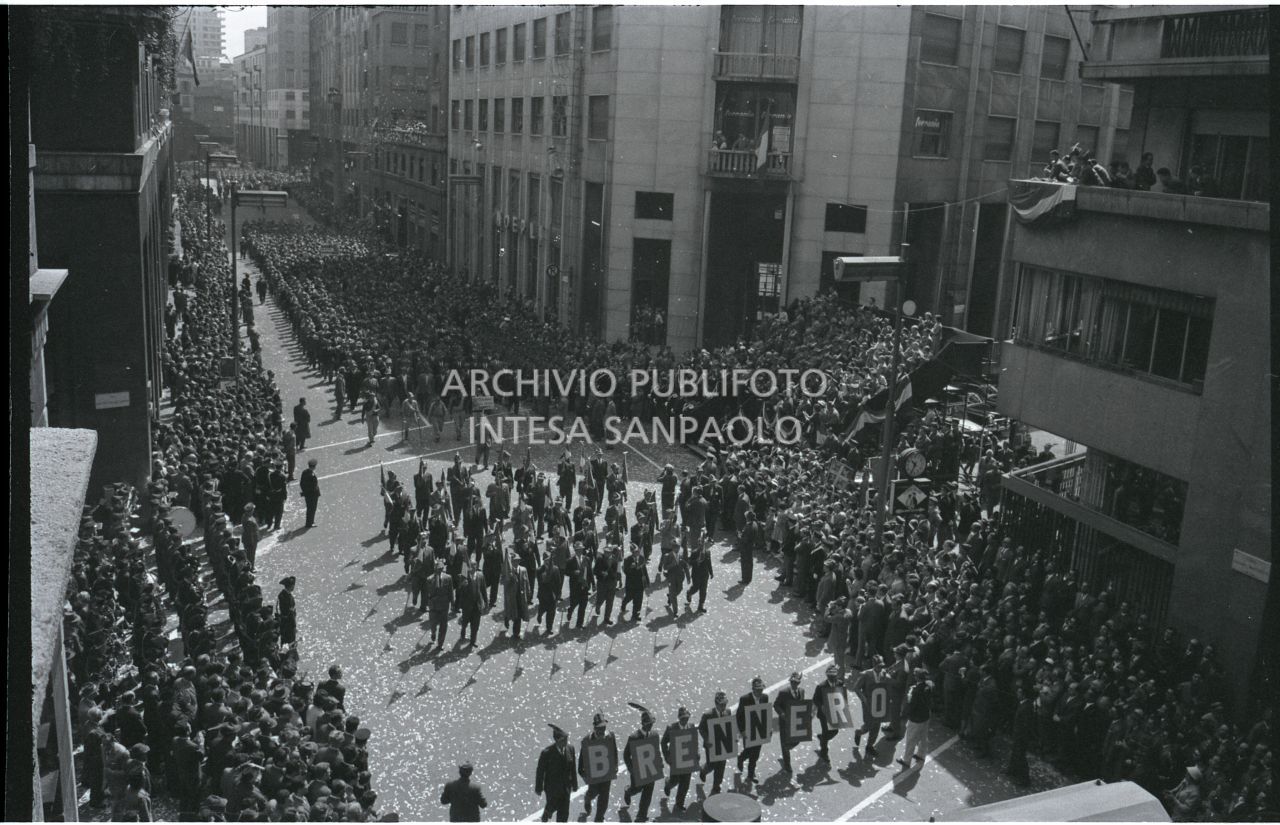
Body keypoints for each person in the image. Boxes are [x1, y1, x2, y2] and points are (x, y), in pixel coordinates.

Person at [621, 707, 659, 822]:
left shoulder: (654, 735)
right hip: (637, 770)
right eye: (649, 723)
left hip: (650, 770)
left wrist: (658, 765)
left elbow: (656, 751)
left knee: (648, 794)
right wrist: (631, 769)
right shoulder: (634, 737)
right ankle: (628, 791)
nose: (651, 725)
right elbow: (626, 755)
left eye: (652, 723)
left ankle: (641, 816)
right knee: (636, 789)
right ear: (643, 724)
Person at [579, 714, 617, 823]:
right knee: (593, 792)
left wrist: (615, 766)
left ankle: (599, 819)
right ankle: (588, 798)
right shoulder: (587, 740)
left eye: (604, 727)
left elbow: (614, 752)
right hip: (594, 775)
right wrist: (585, 777)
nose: (602, 730)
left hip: (606, 774)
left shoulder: (610, 736)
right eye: (600, 728)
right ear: (594, 728)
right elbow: (581, 763)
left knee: (604, 799)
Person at [536, 725, 577, 823]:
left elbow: (573, 768)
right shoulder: (547, 753)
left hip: (566, 788)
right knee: (553, 805)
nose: (566, 741)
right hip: (552, 789)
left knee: (564, 815)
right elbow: (540, 771)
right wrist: (539, 787)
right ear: (557, 740)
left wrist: (574, 784)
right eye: (564, 739)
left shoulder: (570, 749)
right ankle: (547, 811)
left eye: (567, 738)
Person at [852, 656, 890, 758]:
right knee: (868, 725)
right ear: (874, 665)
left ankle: (869, 746)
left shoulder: (884, 673)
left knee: (876, 726)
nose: (880, 668)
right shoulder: (866, 675)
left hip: (879, 704)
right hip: (868, 704)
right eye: (878, 666)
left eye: (882, 666)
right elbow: (856, 688)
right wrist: (864, 700)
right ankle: (859, 732)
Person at [897, 668, 934, 769]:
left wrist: (904, 714)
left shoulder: (915, 691)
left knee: (911, 739)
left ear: (917, 678)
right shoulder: (929, 685)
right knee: (923, 737)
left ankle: (906, 760)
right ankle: (921, 755)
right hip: (925, 716)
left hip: (916, 718)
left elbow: (911, 705)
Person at [735, 677, 769, 783]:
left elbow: (765, 714)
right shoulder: (744, 699)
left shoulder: (765, 697)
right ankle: (741, 758)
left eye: (761, 689)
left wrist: (768, 728)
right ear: (753, 689)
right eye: (758, 690)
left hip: (760, 730)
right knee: (749, 751)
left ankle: (750, 774)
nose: (760, 692)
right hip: (748, 730)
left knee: (756, 754)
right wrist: (743, 730)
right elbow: (739, 716)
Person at [697, 691, 733, 794]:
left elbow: (729, 727)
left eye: (725, 704)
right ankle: (703, 771)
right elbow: (701, 729)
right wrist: (706, 739)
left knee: (721, 765)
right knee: (712, 765)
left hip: (723, 744)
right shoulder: (708, 715)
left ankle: (716, 786)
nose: (723, 706)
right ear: (716, 704)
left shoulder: (728, 712)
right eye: (721, 705)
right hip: (711, 745)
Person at [773, 671, 807, 773]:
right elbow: (776, 705)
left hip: (795, 721)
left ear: (799, 683)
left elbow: (802, 704)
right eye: (792, 682)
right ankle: (787, 764)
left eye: (796, 682)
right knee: (784, 742)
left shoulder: (801, 691)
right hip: (785, 722)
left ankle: (786, 750)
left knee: (797, 740)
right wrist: (782, 714)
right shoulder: (783, 693)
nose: (794, 684)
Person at [812, 664, 845, 763]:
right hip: (824, 714)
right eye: (831, 676)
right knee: (826, 732)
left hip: (835, 712)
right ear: (827, 676)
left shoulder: (840, 683)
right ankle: (824, 752)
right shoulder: (821, 686)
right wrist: (821, 706)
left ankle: (822, 739)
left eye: (834, 676)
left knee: (835, 731)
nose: (833, 678)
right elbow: (815, 699)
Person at [457, 561, 488, 647]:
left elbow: (483, 589)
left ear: (477, 566)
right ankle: (463, 630)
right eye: (471, 565)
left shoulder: (480, 575)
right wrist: (462, 585)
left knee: (475, 625)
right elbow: (459, 591)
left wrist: (486, 602)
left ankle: (472, 640)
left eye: (475, 565)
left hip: (477, 605)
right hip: (467, 605)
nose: (473, 567)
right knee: (465, 622)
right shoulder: (463, 576)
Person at [425, 560, 455, 648]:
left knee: (443, 626)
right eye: (436, 569)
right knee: (433, 624)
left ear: (442, 569)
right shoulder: (429, 579)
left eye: (440, 569)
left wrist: (452, 603)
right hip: (433, 605)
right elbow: (428, 593)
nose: (438, 570)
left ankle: (440, 643)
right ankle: (433, 632)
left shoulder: (448, 578)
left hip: (444, 606)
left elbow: (450, 591)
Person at [686, 534, 713, 613]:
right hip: (696, 574)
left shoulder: (707, 552)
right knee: (695, 588)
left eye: (702, 544)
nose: (701, 546)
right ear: (698, 544)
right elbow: (689, 562)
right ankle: (689, 593)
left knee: (703, 591)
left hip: (705, 575)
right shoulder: (694, 552)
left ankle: (700, 606)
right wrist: (696, 561)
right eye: (699, 544)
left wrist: (711, 572)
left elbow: (709, 563)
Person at [277, 576, 298, 648]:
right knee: (288, 643)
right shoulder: (284, 596)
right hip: (288, 624)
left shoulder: (284, 595)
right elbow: (289, 613)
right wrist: (294, 626)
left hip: (286, 623)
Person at [300, 458, 321, 528]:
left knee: (309, 508)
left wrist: (304, 491)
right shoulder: (311, 475)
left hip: (307, 494)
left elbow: (301, 483)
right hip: (312, 495)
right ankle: (310, 523)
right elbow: (313, 486)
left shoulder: (304, 472)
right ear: (314, 466)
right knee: (312, 509)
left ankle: (310, 521)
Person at [240, 503, 260, 569]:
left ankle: (250, 567)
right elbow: (250, 533)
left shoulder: (245, 516)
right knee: (251, 555)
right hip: (251, 540)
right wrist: (252, 543)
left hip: (246, 539)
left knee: (249, 554)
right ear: (250, 511)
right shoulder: (249, 521)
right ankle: (251, 568)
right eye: (253, 509)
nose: (254, 510)